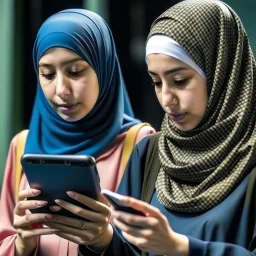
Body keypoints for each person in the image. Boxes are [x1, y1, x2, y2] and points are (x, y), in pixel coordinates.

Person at [66, 0, 255, 255]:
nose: (166, 99)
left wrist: (180, 248)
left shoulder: (249, 156)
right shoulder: (150, 154)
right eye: (156, 82)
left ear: (221, 72)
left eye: (180, 80)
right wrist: (101, 239)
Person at [0, 9, 155, 256]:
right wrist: (21, 244)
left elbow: (154, 248)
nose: (61, 89)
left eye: (75, 72)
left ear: (103, 69)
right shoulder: (23, 144)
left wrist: (103, 239)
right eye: (48, 74)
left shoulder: (139, 142)